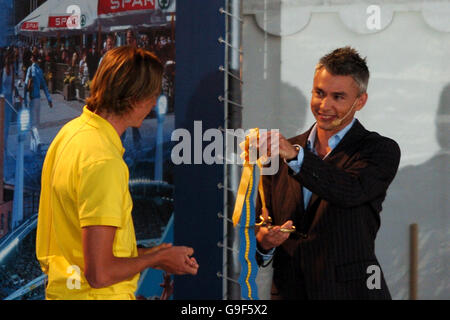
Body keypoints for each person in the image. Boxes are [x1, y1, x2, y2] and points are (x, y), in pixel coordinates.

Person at [36, 46, 199, 300]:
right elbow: (100, 274)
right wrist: (156, 257)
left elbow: (86, 250)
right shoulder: (103, 161)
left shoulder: (69, 134)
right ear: (134, 98)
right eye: (153, 95)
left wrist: (154, 257)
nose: (155, 103)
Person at [255, 47, 401, 300]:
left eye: (338, 97)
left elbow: (349, 190)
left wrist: (296, 157)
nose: (325, 105)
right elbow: (262, 227)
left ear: (361, 101)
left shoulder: (380, 150)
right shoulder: (279, 153)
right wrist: (265, 243)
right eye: (319, 93)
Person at [24, 53, 52, 153]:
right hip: (38, 100)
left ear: (32, 59)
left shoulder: (30, 69)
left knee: (32, 124)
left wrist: (24, 99)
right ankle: (34, 147)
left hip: (31, 99)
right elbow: (44, 85)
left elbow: (26, 84)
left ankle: (38, 140)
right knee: (36, 123)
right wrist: (49, 99)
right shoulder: (39, 71)